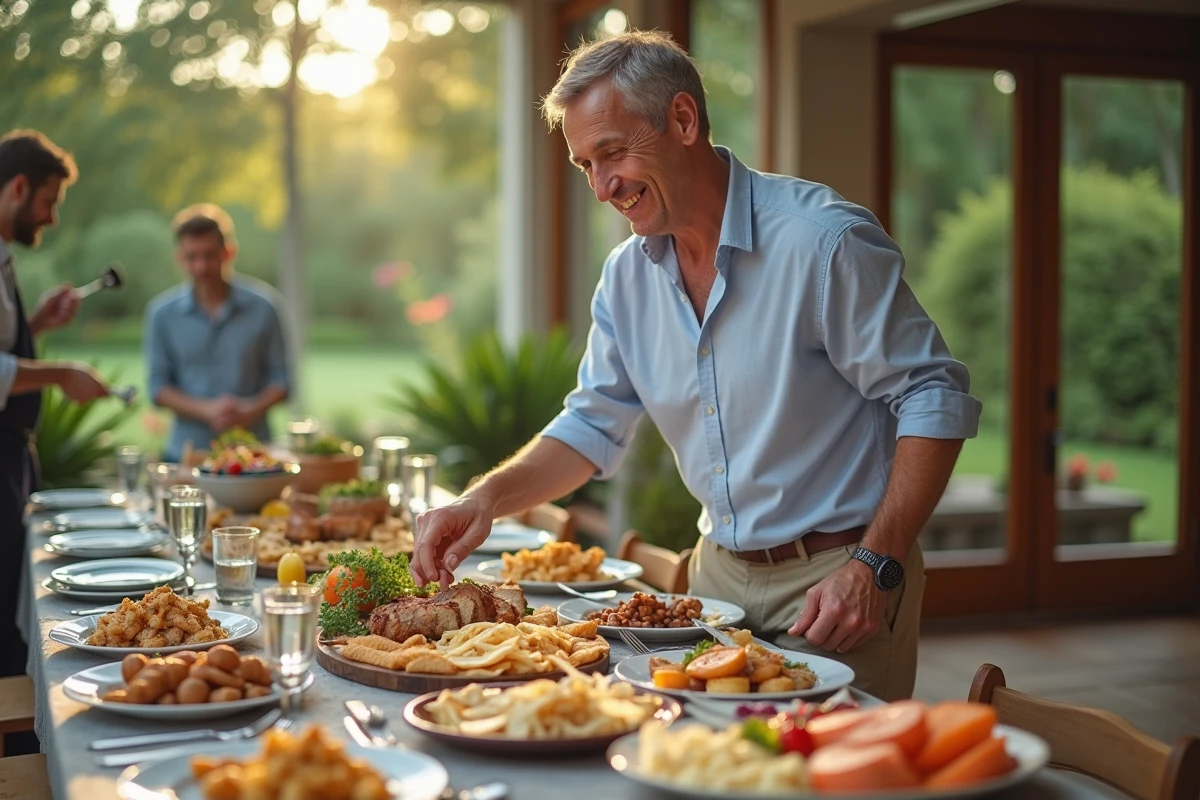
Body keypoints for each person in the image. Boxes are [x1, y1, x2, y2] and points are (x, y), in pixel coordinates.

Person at [411, 31, 981, 701]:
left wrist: (875, 565)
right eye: (583, 165)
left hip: (838, 578)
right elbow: (592, 426)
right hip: (714, 585)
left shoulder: (822, 243)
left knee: (823, 776)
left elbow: (932, 394)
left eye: (612, 152)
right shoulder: (626, 278)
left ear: (683, 120)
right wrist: (485, 498)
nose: (601, 187)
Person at [0, 130, 112, 683]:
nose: (52, 218)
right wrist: (62, 374)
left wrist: (36, 323)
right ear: (18, 188)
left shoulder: (3, 256)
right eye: (49, 202)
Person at [144, 204, 291, 462]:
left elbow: (282, 381)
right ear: (179, 257)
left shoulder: (264, 307)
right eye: (192, 257)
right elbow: (158, 388)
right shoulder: (161, 314)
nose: (201, 266)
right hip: (185, 456)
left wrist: (248, 410)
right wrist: (207, 410)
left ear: (228, 253)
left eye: (209, 256)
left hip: (254, 458)